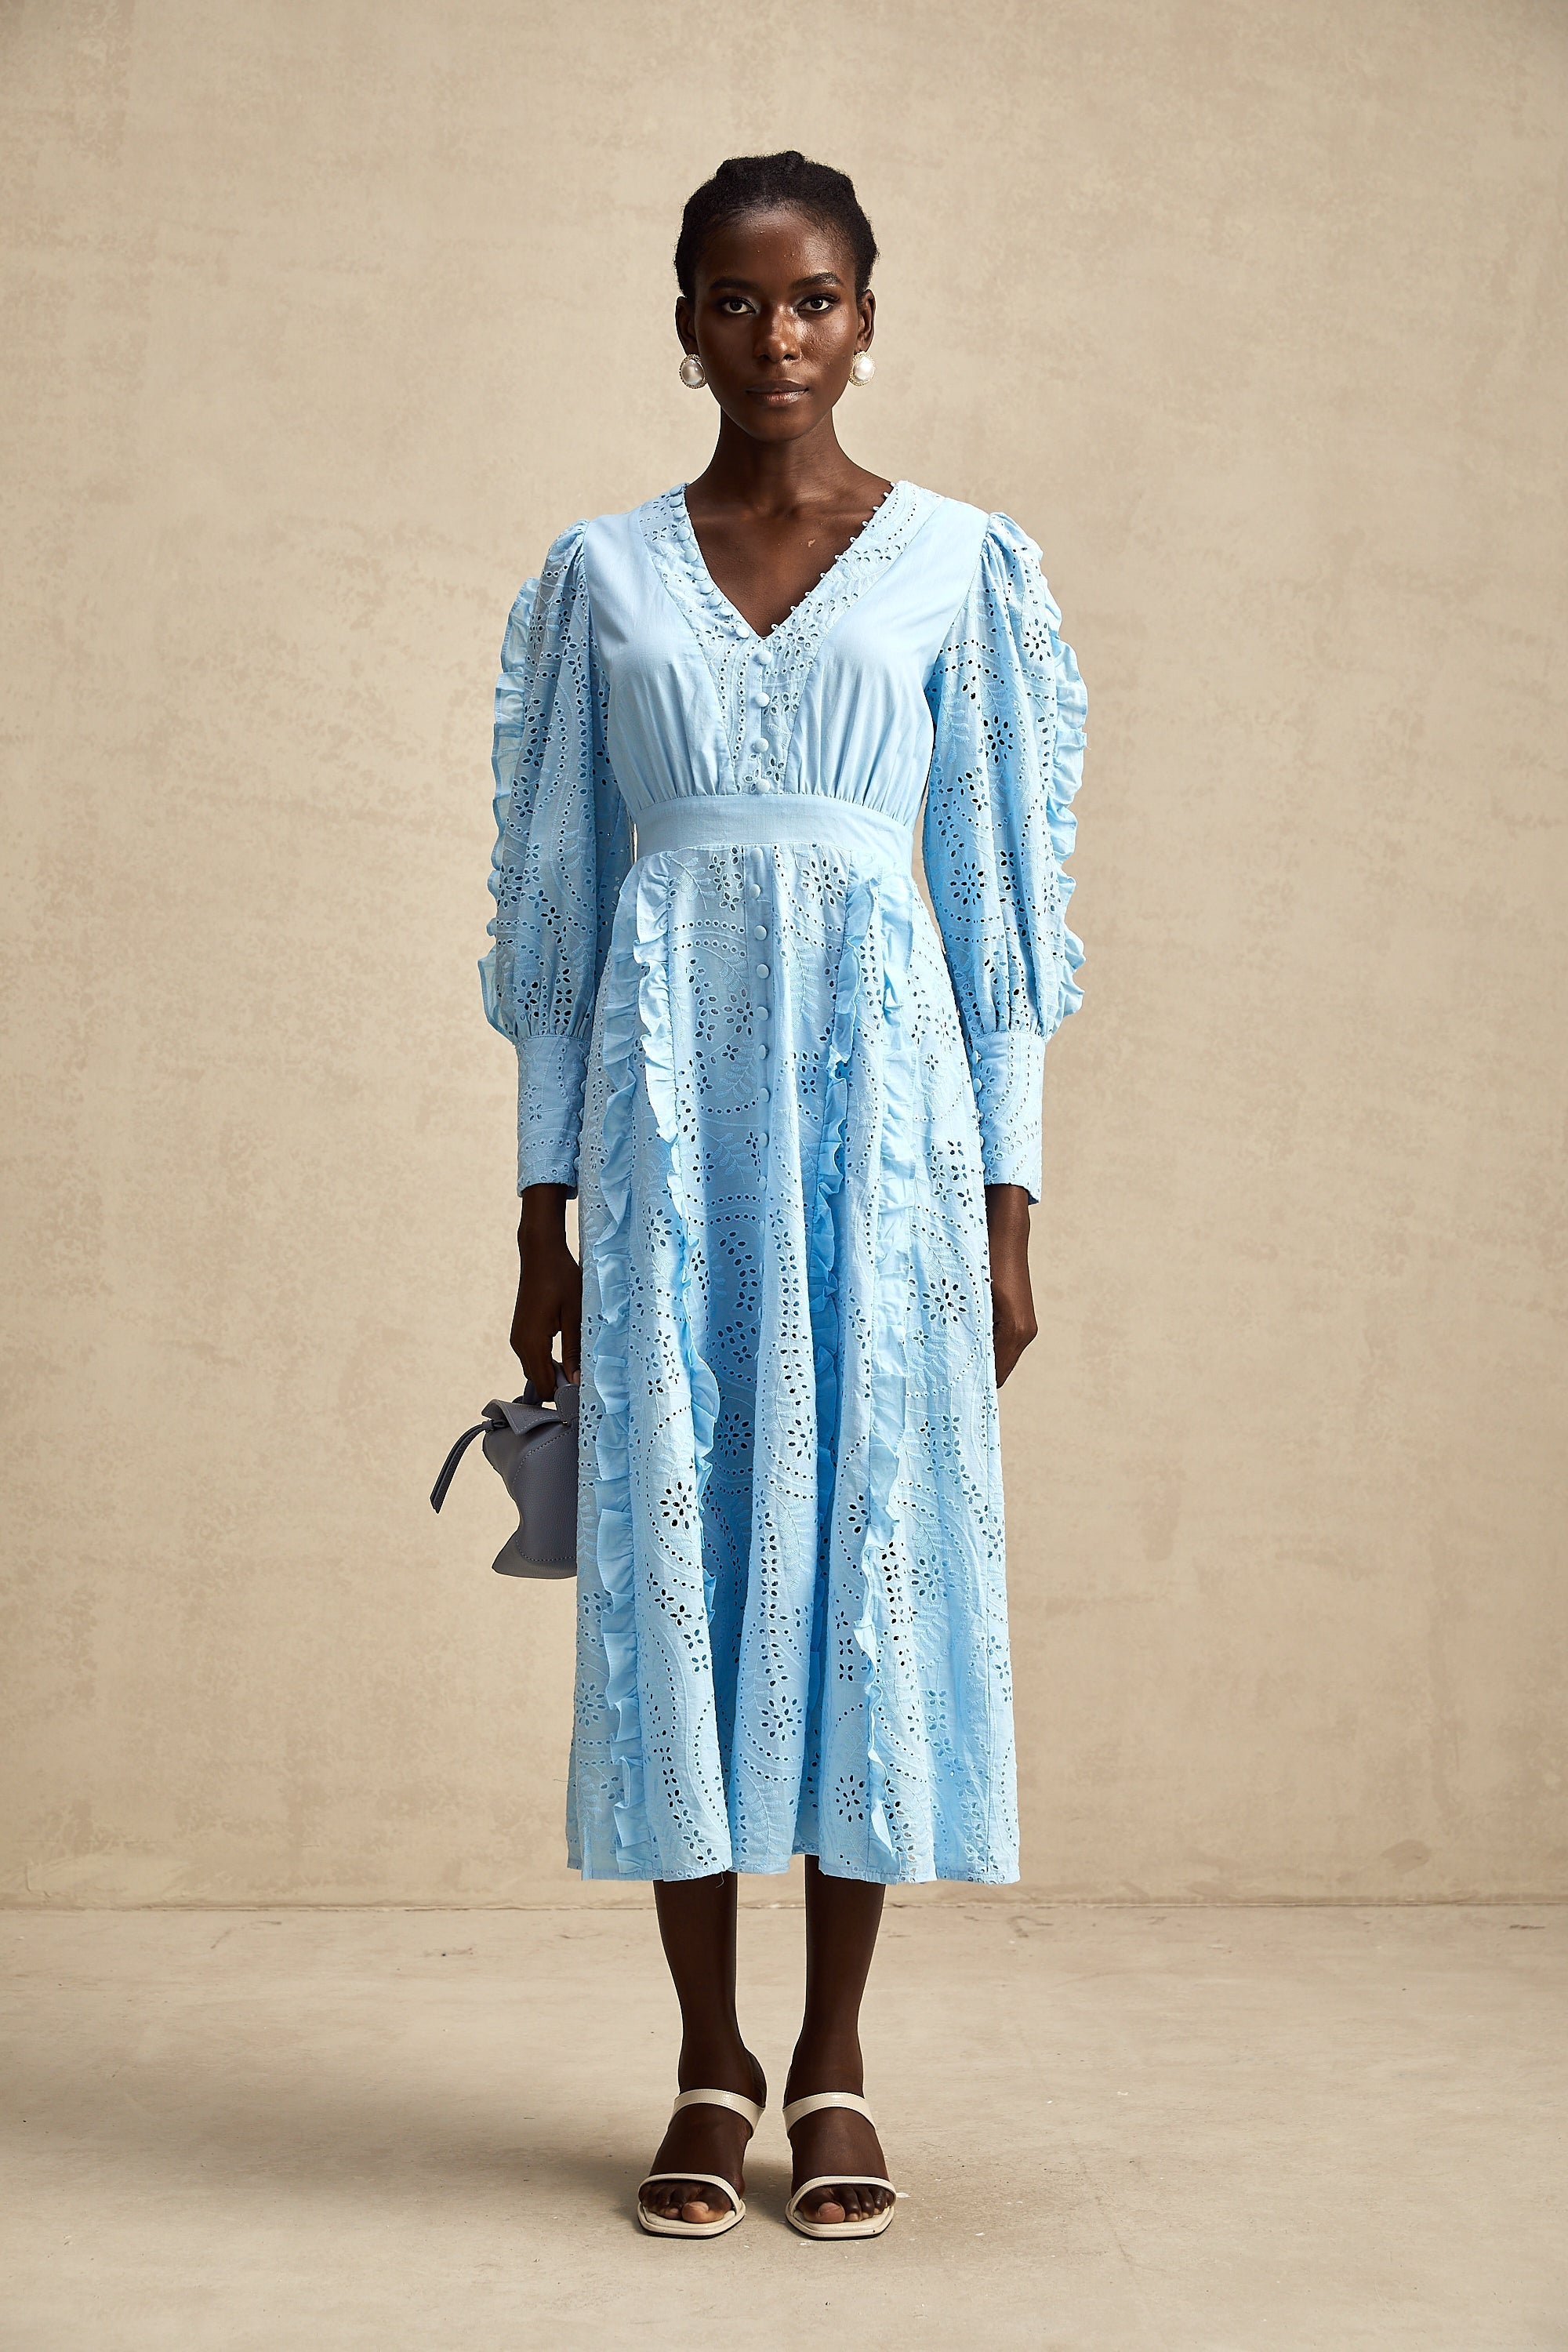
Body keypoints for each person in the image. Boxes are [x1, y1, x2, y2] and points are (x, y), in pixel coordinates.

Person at [480, 150, 1086, 2240]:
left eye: (813, 299)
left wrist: (1008, 1205)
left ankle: (831, 2059)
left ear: (868, 318)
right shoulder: (599, 577)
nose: (776, 339)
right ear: (684, 323)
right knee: (678, 1563)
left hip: (882, 1139)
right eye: (735, 303)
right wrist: (542, 1208)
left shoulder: (959, 565)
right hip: (668, 1142)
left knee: (861, 1565)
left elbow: (1000, 914)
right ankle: (704, 2060)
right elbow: (558, 920)